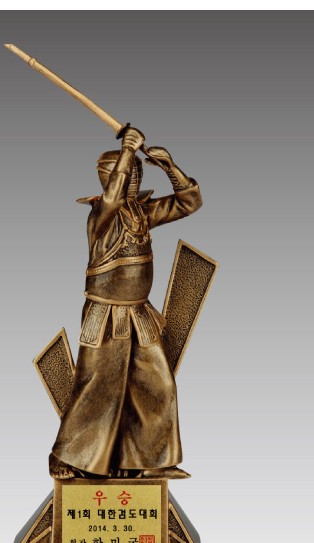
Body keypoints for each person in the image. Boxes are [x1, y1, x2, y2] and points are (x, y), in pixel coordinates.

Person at [49, 126, 203, 479]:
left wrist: (170, 167)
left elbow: (189, 203)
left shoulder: (141, 214)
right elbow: (112, 199)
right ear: (109, 177)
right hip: (105, 315)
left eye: (137, 173)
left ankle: (147, 460)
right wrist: (129, 151)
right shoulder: (101, 218)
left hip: (139, 313)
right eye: (127, 172)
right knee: (97, 389)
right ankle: (66, 458)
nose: (133, 178)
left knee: (158, 384)